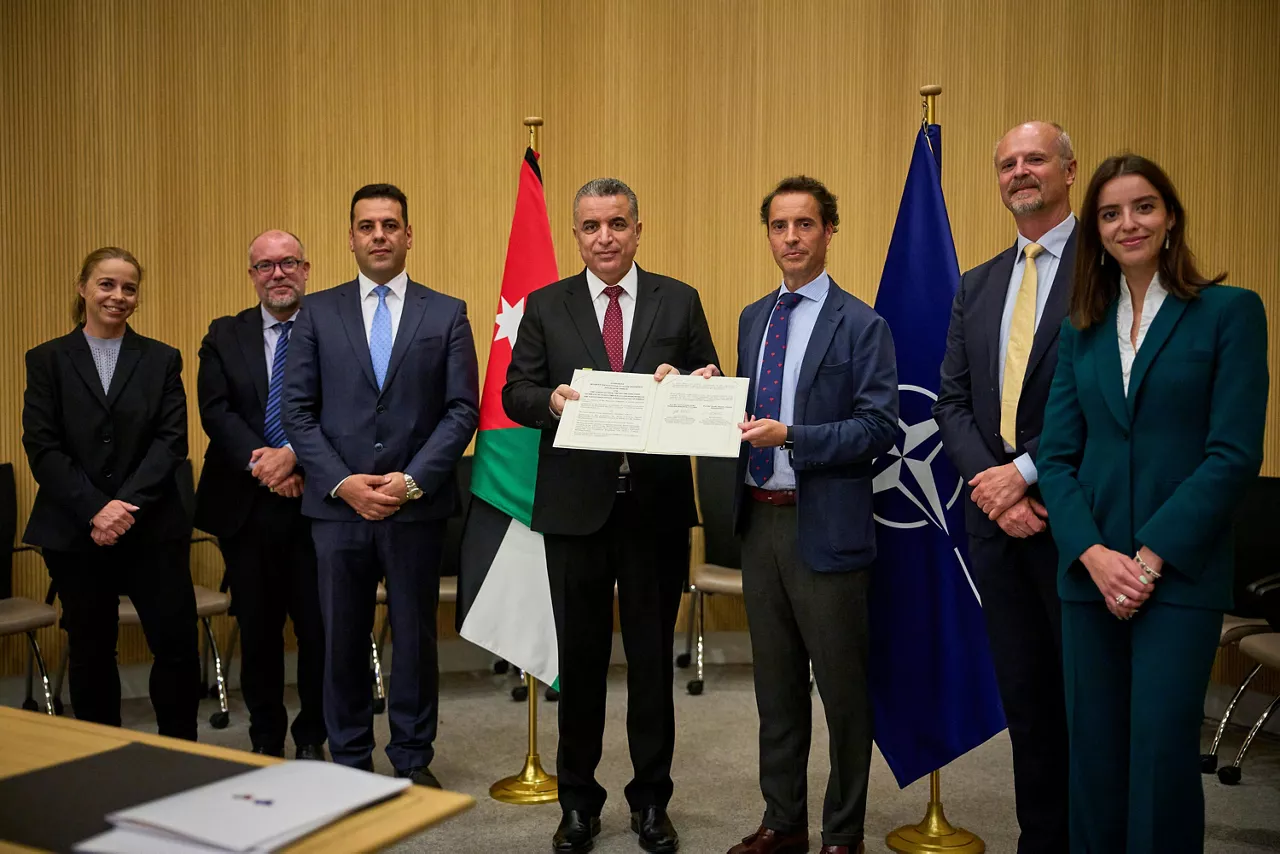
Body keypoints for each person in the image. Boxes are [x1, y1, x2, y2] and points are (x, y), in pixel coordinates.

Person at [1037, 154, 1268, 853]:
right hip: (1091, 577)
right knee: (1095, 760)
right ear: (1095, 230)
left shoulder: (1230, 313)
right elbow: (1055, 456)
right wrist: (1095, 555)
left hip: (1179, 577)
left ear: (1169, 217)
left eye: (1142, 207)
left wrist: (1148, 555)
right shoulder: (1082, 328)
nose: (1127, 223)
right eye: (1110, 213)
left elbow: (1233, 454)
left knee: (1162, 756)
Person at [503, 177, 719, 854]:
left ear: (637, 227)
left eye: (617, 224)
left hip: (654, 509)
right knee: (583, 663)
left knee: (653, 665)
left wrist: (697, 386)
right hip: (575, 512)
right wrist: (553, 404)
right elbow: (516, 393)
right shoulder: (546, 304)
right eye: (591, 226)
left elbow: (707, 375)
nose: (604, 237)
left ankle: (651, 802)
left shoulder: (678, 299)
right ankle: (578, 802)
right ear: (576, 234)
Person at [718, 176, 898, 854]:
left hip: (826, 527)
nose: (791, 237)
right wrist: (711, 393)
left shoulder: (861, 323)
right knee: (777, 689)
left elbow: (880, 427)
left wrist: (793, 436)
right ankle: (782, 822)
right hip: (758, 522)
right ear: (767, 234)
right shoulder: (752, 318)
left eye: (806, 224)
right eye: (779, 226)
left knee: (844, 696)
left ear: (828, 231)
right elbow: (745, 411)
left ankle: (842, 833)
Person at [282, 184, 479, 785]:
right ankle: (348, 759)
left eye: (390, 225)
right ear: (351, 238)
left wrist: (410, 481)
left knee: (416, 641)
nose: (379, 236)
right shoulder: (316, 311)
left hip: (413, 508)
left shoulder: (444, 311)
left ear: (409, 235)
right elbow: (297, 410)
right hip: (338, 510)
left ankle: (413, 759)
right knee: (340, 637)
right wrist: (345, 483)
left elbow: (461, 409)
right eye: (366, 226)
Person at [933, 121, 1077, 852]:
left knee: (1086, 703)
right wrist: (995, 490)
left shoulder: (1110, 267)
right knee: (1025, 701)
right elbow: (951, 400)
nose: (1021, 172)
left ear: (1069, 171)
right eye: (1007, 163)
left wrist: (1025, 475)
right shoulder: (978, 282)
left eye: (1035, 159)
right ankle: (1040, 841)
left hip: (1081, 520)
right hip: (995, 527)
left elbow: (1112, 405)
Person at [22, 247, 200, 739]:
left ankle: (183, 757)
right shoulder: (47, 360)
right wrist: (95, 509)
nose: (118, 296)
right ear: (83, 288)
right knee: (91, 649)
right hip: (76, 532)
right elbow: (42, 446)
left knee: (176, 646)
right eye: (106, 284)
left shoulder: (162, 359)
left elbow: (171, 442)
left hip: (153, 526)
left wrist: (123, 507)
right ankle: (104, 757)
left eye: (129, 288)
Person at [194, 229, 326, 760]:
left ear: (306, 269)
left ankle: (313, 736)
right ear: (251, 275)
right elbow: (216, 411)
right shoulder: (224, 334)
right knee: (259, 630)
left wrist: (294, 453)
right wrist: (267, 464)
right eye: (265, 265)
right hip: (246, 508)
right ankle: (266, 738)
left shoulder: (333, 327)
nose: (278, 273)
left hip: (318, 503)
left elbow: (345, 406)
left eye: (288, 262)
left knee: (319, 629)